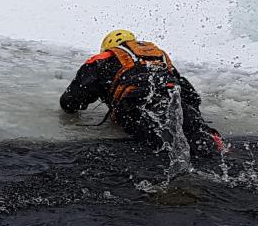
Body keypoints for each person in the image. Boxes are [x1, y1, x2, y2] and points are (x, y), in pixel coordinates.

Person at [58, 30, 222, 160]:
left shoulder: (102, 58)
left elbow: (71, 100)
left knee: (160, 147)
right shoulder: (158, 56)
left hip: (134, 103)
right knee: (201, 138)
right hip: (173, 96)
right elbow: (190, 94)